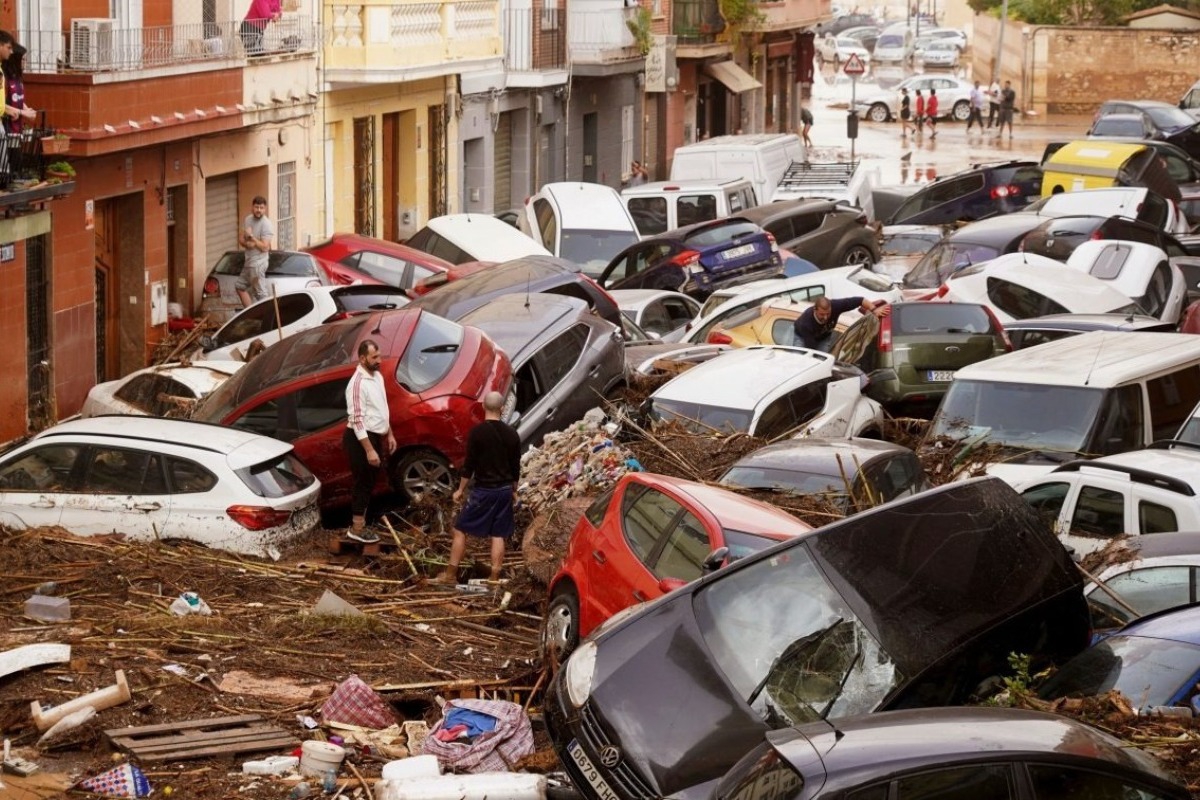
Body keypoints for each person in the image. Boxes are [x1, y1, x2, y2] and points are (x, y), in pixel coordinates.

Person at [437, 392, 522, 583]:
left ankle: (450, 575)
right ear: (502, 408)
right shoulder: (512, 435)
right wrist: (514, 491)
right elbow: (515, 467)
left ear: (483, 406)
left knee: (460, 529)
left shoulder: (477, 433)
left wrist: (460, 490)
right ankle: (494, 578)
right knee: (498, 534)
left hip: (483, 492)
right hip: (503, 492)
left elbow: (469, 466)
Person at [342, 339, 396, 544]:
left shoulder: (377, 377)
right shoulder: (357, 384)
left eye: (379, 356)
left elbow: (382, 408)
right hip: (360, 439)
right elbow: (357, 420)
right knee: (362, 482)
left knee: (372, 480)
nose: (379, 360)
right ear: (362, 358)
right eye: (374, 357)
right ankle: (356, 528)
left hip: (375, 435)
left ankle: (362, 522)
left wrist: (389, 433)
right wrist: (369, 450)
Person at [794, 295, 890, 352]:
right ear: (815, 310)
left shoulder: (836, 305)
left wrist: (874, 310)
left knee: (823, 359)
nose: (825, 317)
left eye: (828, 314)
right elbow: (811, 350)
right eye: (822, 314)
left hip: (824, 336)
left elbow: (860, 300)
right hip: (802, 337)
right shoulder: (806, 323)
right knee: (804, 361)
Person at [236, 196, 274, 308]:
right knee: (239, 287)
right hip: (248, 262)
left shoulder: (266, 224)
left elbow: (265, 247)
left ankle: (267, 320)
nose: (259, 210)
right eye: (256, 207)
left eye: (261, 208)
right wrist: (246, 243)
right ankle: (251, 315)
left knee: (261, 295)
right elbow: (241, 239)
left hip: (258, 263)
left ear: (265, 209)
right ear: (252, 207)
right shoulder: (248, 219)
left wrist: (252, 238)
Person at [3, 42, 36, 133]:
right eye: (22, 59)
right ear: (15, 60)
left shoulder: (17, 77)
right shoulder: (4, 77)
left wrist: (26, 109)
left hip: (17, 126)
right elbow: (2, 104)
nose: (25, 62)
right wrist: (23, 112)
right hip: (6, 125)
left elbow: (17, 97)